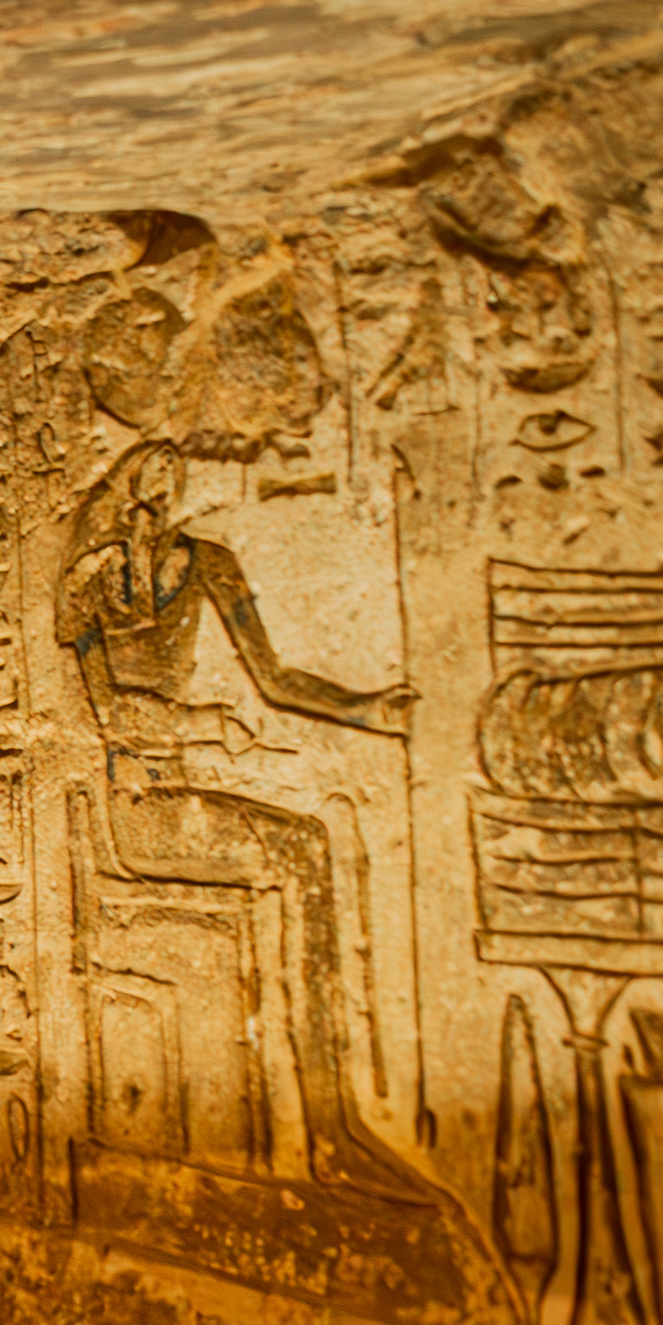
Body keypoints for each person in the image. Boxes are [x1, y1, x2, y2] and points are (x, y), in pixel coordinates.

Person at [57, 439, 424, 1191]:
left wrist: (369, 710)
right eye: (150, 480)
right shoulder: (91, 582)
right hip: (137, 808)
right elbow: (108, 716)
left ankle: (333, 1121)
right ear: (123, 492)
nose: (162, 496)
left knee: (313, 844)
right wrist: (199, 724)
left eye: (174, 480)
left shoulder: (210, 564)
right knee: (303, 852)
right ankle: (329, 1128)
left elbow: (276, 679)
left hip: (178, 790)